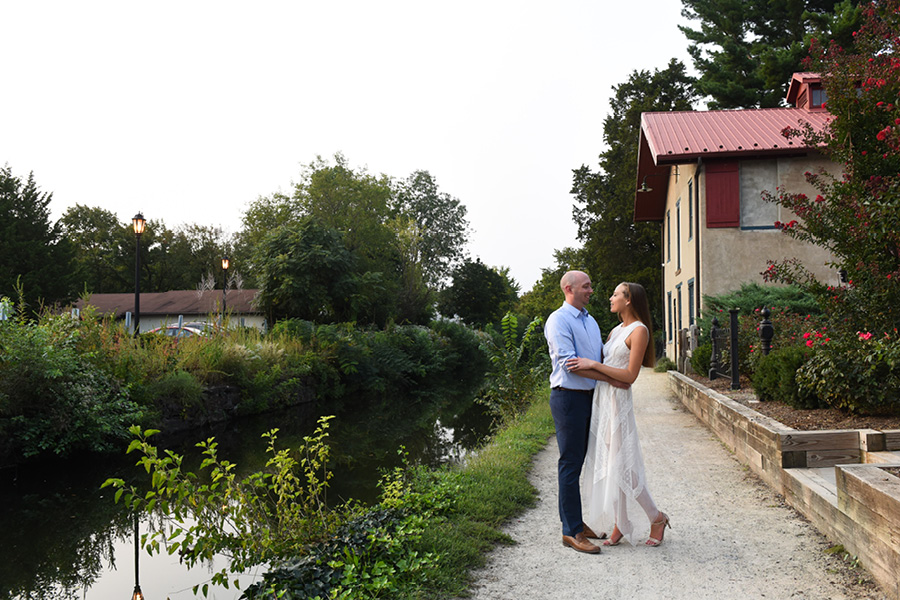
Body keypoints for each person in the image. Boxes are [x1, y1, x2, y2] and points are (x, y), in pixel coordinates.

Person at [566, 281, 671, 548]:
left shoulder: (639, 331)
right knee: (611, 464)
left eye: (615, 294)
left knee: (624, 464)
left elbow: (629, 376)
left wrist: (593, 364)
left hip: (619, 402)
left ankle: (656, 517)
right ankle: (621, 522)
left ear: (629, 300)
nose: (610, 297)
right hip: (604, 399)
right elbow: (612, 373)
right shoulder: (615, 330)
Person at [545, 270, 627, 554]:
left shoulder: (590, 321)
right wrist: (613, 379)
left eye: (591, 285)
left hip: (592, 397)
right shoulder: (558, 320)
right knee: (570, 463)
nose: (592, 290)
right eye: (586, 286)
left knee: (586, 461)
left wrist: (610, 376)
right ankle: (570, 531)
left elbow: (597, 360)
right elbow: (571, 364)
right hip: (568, 398)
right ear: (569, 288)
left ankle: (577, 522)